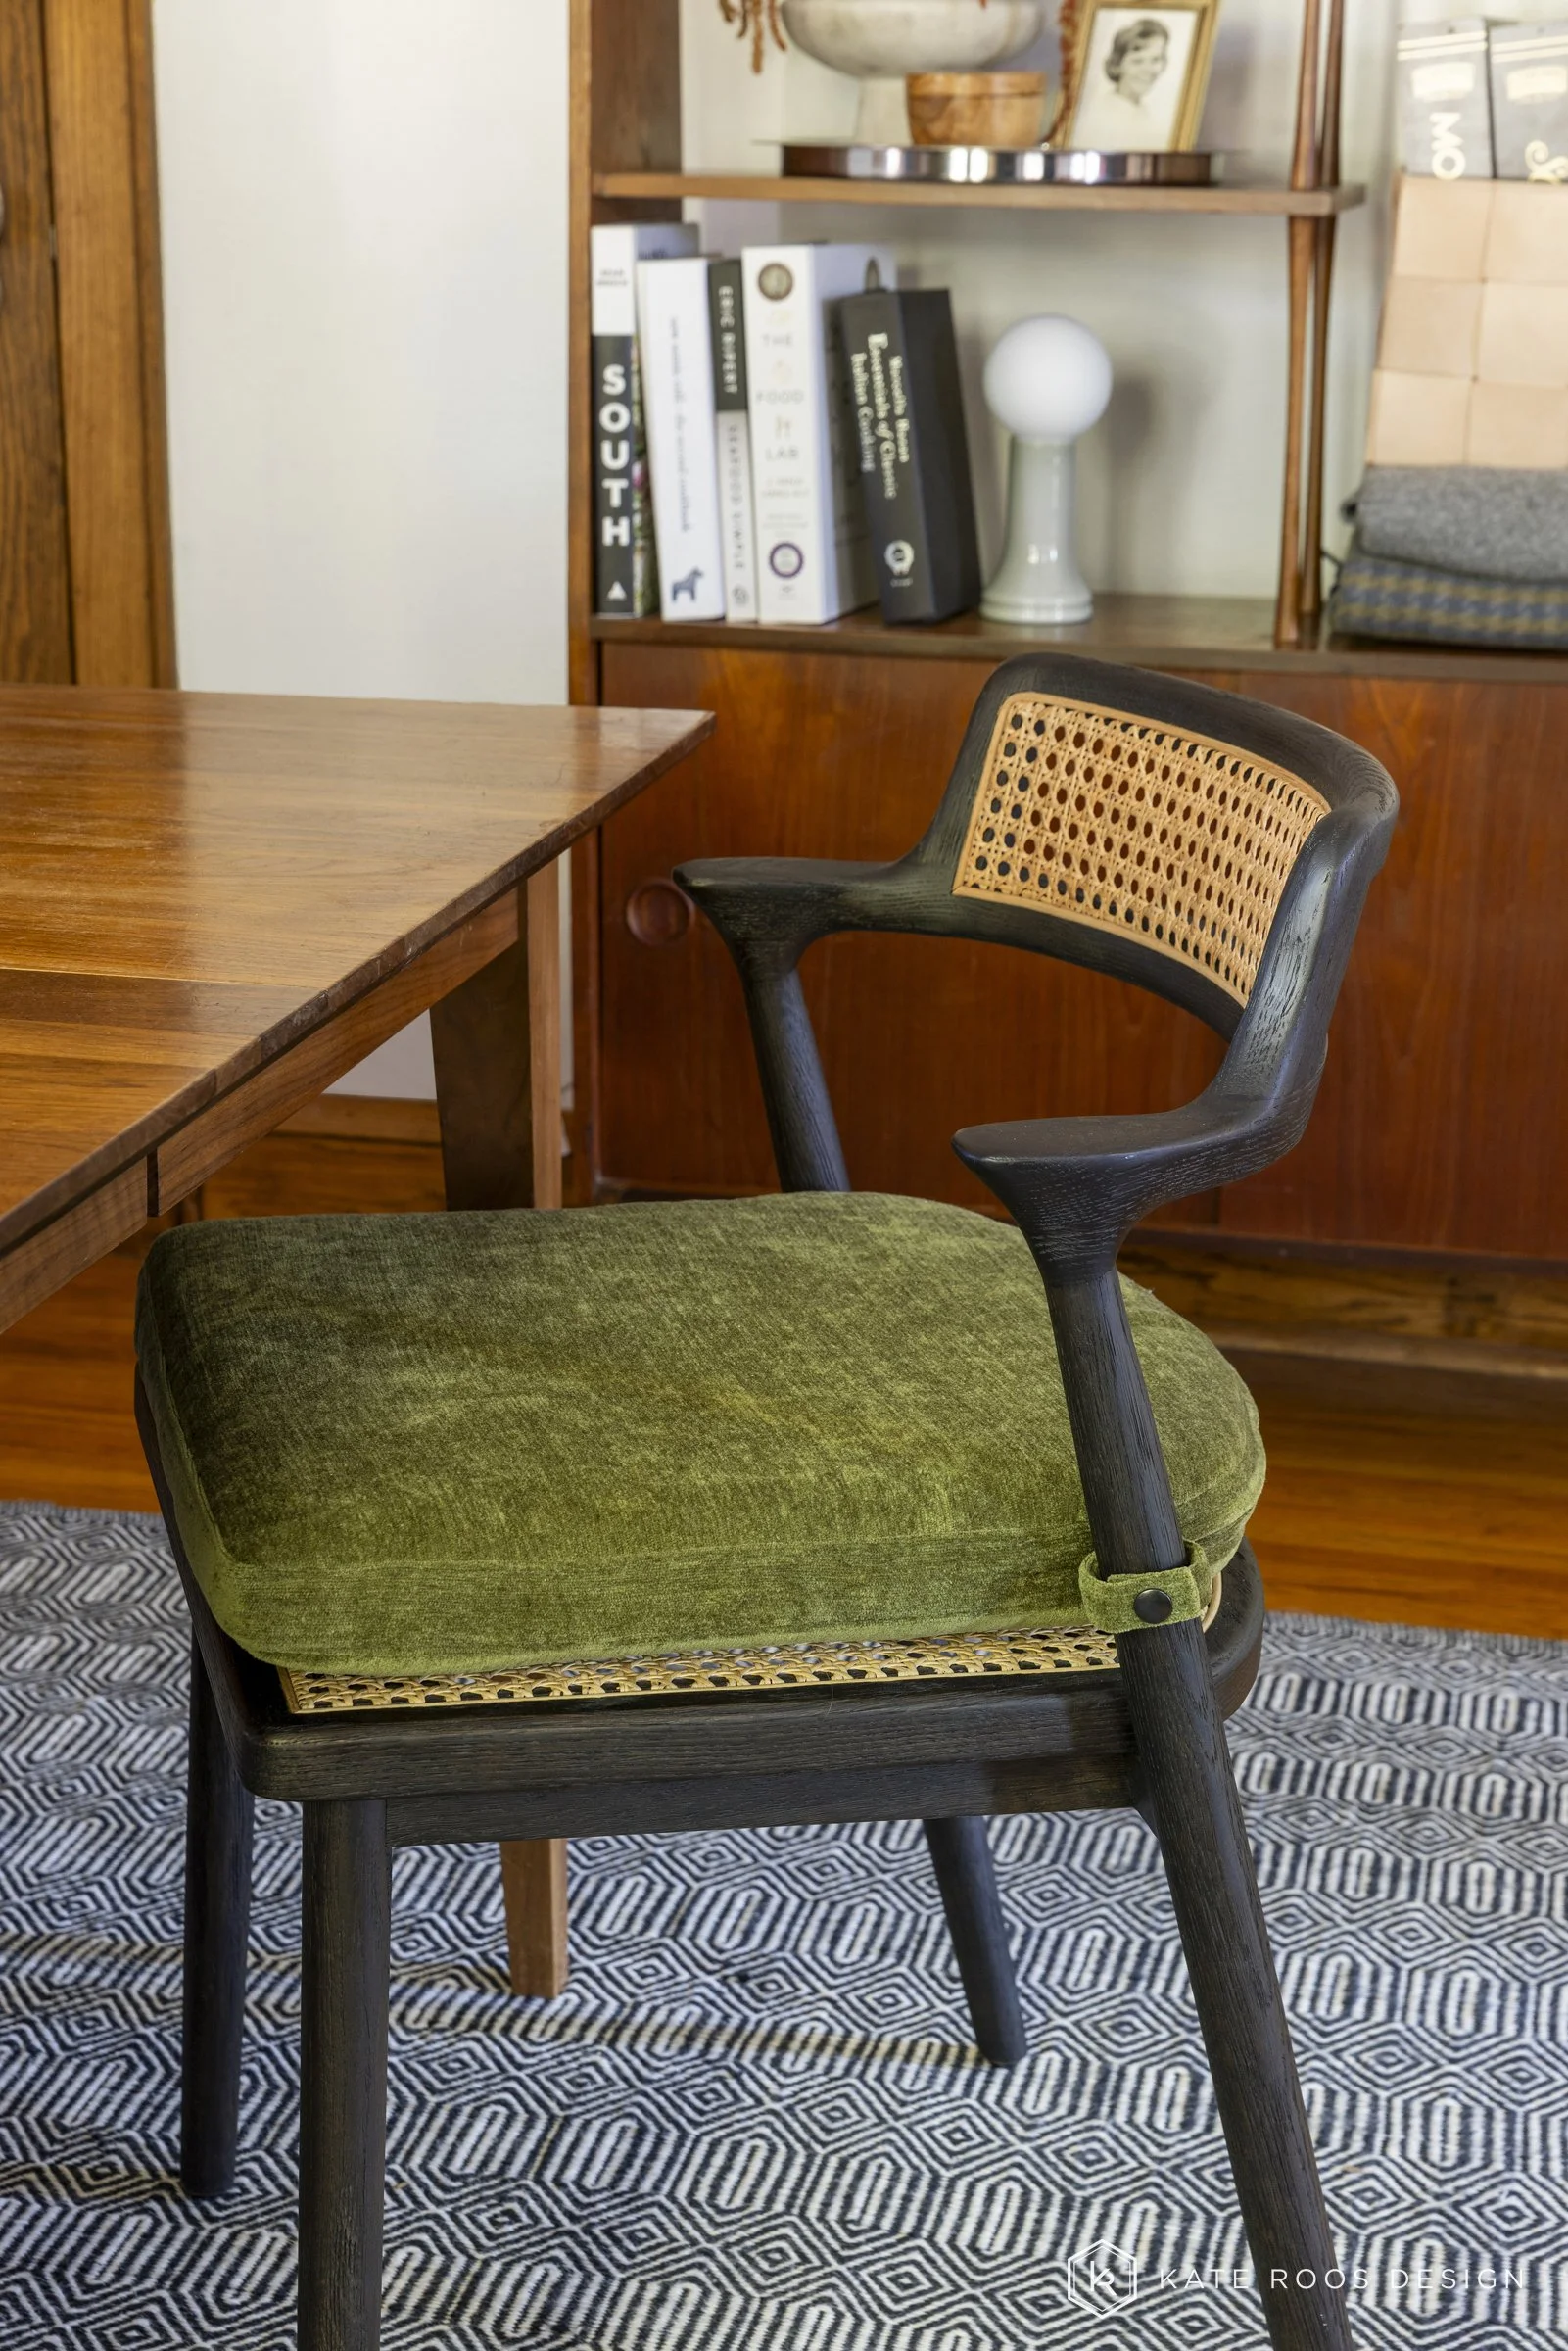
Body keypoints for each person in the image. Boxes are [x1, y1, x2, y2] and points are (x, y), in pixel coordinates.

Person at [1070, 14, 1183, 151]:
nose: (1147, 70)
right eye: (1137, 61)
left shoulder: (1147, 113)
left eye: (1155, 59)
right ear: (1117, 64)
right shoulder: (1100, 113)